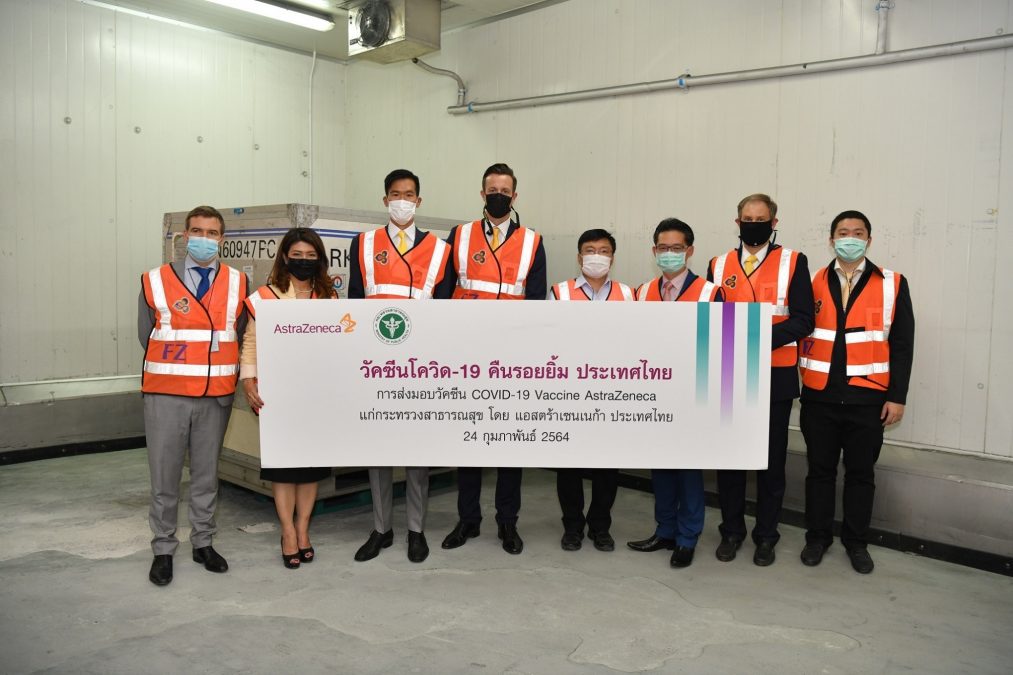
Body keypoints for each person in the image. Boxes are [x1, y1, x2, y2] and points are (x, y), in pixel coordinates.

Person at [138, 205, 249, 586]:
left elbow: (238, 333)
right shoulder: (155, 280)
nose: (204, 239)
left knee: (206, 476)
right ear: (184, 236)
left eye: (212, 233)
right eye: (197, 231)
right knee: (165, 477)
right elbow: (145, 334)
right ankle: (163, 548)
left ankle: (203, 542)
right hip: (166, 394)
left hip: (215, 395)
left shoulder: (238, 282)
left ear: (223, 239)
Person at [797, 210, 914, 574]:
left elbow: (902, 343)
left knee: (861, 474)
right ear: (831, 240)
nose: (850, 238)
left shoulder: (893, 283)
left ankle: (856, 542)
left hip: (869, 400)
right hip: (820, 396)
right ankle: (817, 538)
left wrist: (897, 397)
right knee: (819, 472)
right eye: (843, 232)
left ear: (869, 240)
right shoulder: (812, 281)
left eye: (858, 232)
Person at [440, 162, 548, 555]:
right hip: (467, 359)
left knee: (509, 444)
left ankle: (507, 522)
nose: (498, 195)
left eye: (505, 189)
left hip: (511, 362)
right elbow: (444, 294)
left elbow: (537, 306)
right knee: (467, 442)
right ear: (482, 193)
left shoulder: (533, 241)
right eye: (492, 189)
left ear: (515, 197)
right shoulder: (460, 235)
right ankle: (467, 519)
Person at [347, 169, 452, 564]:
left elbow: (443, 313)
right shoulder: (364, 244)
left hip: (419, 367)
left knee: (416, 452)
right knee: (378, 452)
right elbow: (356, 302)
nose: (402, 201)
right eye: (395, 194)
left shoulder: (439, 250)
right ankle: (381, 528)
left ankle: (416, 529)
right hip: (375, 364)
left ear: (419, 201)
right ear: (385, 200)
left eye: (409, 194)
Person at [707, 193, 815, 566]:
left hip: (776, 375)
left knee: (771, 463)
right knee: (731, 459)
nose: (754, 223)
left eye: (761, 218)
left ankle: (767, 535)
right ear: (737, 223)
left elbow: (804, 319)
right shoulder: (718, 264)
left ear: (773, 222)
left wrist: (756, 338)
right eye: (747, 218)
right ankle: (731, 531)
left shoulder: (793, 261)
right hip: (730, 374)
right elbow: (711, 320)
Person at [627, 218, 722, 568]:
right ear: (654, 252)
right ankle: (664, 531)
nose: (669, 254)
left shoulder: (710, 293)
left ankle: (687, 537)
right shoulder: (641, 292)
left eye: (677, 248)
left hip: (691, 396)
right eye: (663, 248)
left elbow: (719, 347)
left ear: (690, 251)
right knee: (662, 469)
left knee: (688, 470)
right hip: (654, 394)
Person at [239, 228, 334, 569]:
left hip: (316, 395)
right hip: (277, 395)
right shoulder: (264, 296)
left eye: (311, 256)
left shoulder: (329, 297)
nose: (304, 262)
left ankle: (303, 529)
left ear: (319, 260)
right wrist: (248, 380)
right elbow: (250, 342)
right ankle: (287, 532)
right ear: (284, 257)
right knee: (285, 469)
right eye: (298, 255)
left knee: (310, 470)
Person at [549, 228, 633, 552]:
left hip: (612, 392)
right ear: (578, 256)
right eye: (589, 249)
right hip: (569, 391)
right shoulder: (559, 292)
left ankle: (600, 526)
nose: (596, 256)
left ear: (613, 257)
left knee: (606, 465)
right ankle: (572, 526)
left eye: (603, 250)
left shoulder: (628, 295)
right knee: (568, 464)